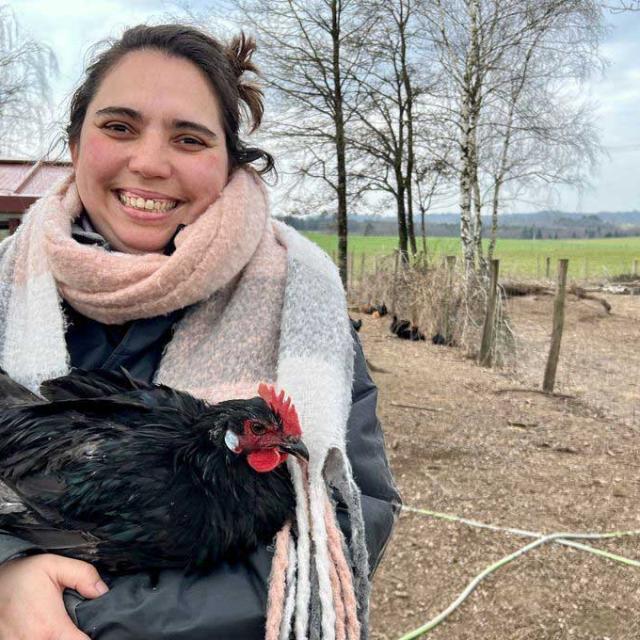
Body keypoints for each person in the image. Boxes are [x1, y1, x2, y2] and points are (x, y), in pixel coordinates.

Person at [0, 24, 400, 639]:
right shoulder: (6, 289)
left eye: (188, 138)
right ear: (76, 145)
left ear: (230, 163)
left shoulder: (304, 306)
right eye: (119, 127)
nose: (150, 163)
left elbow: (351, 518)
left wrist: (93, 619)